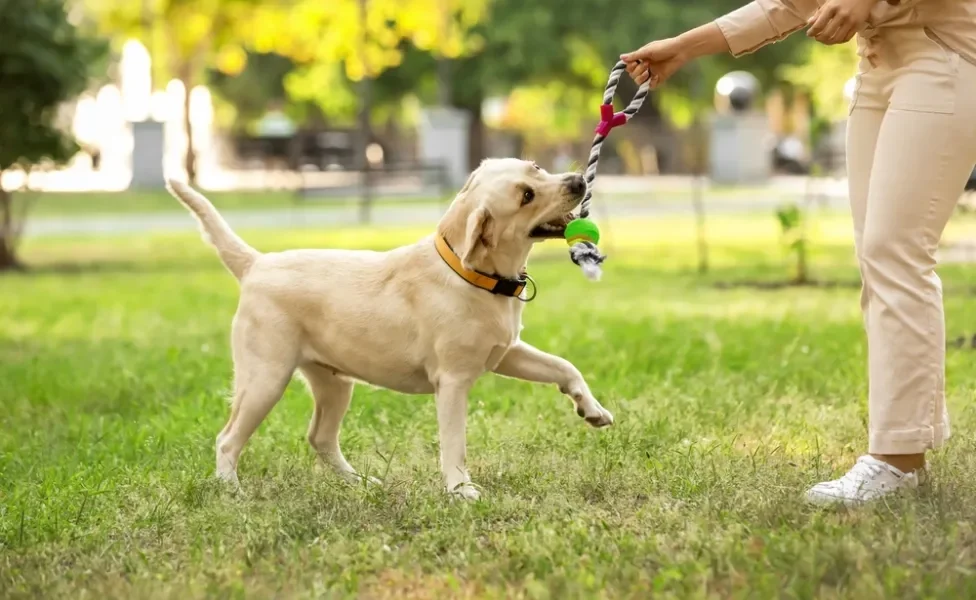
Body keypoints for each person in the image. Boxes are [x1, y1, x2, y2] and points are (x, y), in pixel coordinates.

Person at [621, 0, 976, 505]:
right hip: (876, 65)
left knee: (895, 252)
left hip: (946, 57)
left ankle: (896, 461)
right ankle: (906, 449)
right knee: (878, 260)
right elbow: (788, 5)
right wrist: (684, 47)